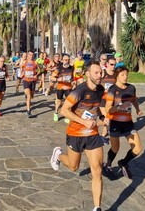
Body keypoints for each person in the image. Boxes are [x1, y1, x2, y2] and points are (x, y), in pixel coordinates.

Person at [51, 60, 106, 211]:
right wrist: (83, 121)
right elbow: (64, 110)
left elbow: (96, 109)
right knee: (73, 166)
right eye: (96, 72)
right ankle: (58, 155)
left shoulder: (101, 90)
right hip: (75, 133)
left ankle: (97, 207)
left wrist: (103, 119)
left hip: (93, 135)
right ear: (88, 74)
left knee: (98, 171)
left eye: (100, 72)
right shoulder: (79, 91)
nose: (99, 75)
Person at [104, 66, 143, 179]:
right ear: (117, 76)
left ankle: (123, 163)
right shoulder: (112, 90)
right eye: (122, 75)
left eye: (126, 74)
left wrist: (137, 109)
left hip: (128, 123)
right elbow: (108, 109)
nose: (125, 77)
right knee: (115, 148)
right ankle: (108, 164)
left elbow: (134, 99)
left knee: (137, 148)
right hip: (115, 123)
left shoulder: (131, 88)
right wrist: (120, 107)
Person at [50, 54, 74, 122]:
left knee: (68, 102)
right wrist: (58, 80)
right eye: (66, 60)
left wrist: (73, 82)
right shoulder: (59, 68)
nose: (67, 61)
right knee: (59, 101)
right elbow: (51, 77)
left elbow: (73, 78)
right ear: (63, 61)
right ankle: (56, 112)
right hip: (60, 88)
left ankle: (67, 116)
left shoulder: (72, 68)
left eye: (68, 60)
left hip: (68, 88)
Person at [99, 57, 116, 145]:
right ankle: (90, 127)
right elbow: (96, 82)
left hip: (111, 101)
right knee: (107, 119)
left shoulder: (116, 75)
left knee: (108, 119)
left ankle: (102, 136)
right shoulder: (103, 73)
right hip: (102, 100)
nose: (113, 66)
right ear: (107, 64)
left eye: (114, 64)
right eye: (111, 64)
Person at [20, 50, 38, 118]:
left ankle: (28, 98)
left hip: (33, 81)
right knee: (29, 96)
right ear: (27, 55)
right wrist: (22, 73)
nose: (31, 56)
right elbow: (21, 68)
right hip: (26, 80)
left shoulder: (35, 62)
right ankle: (28, 111)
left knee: (32, 96)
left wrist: (37, 75)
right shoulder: (24, 62)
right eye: (30, 55)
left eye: (32, 55)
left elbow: (40, 70)